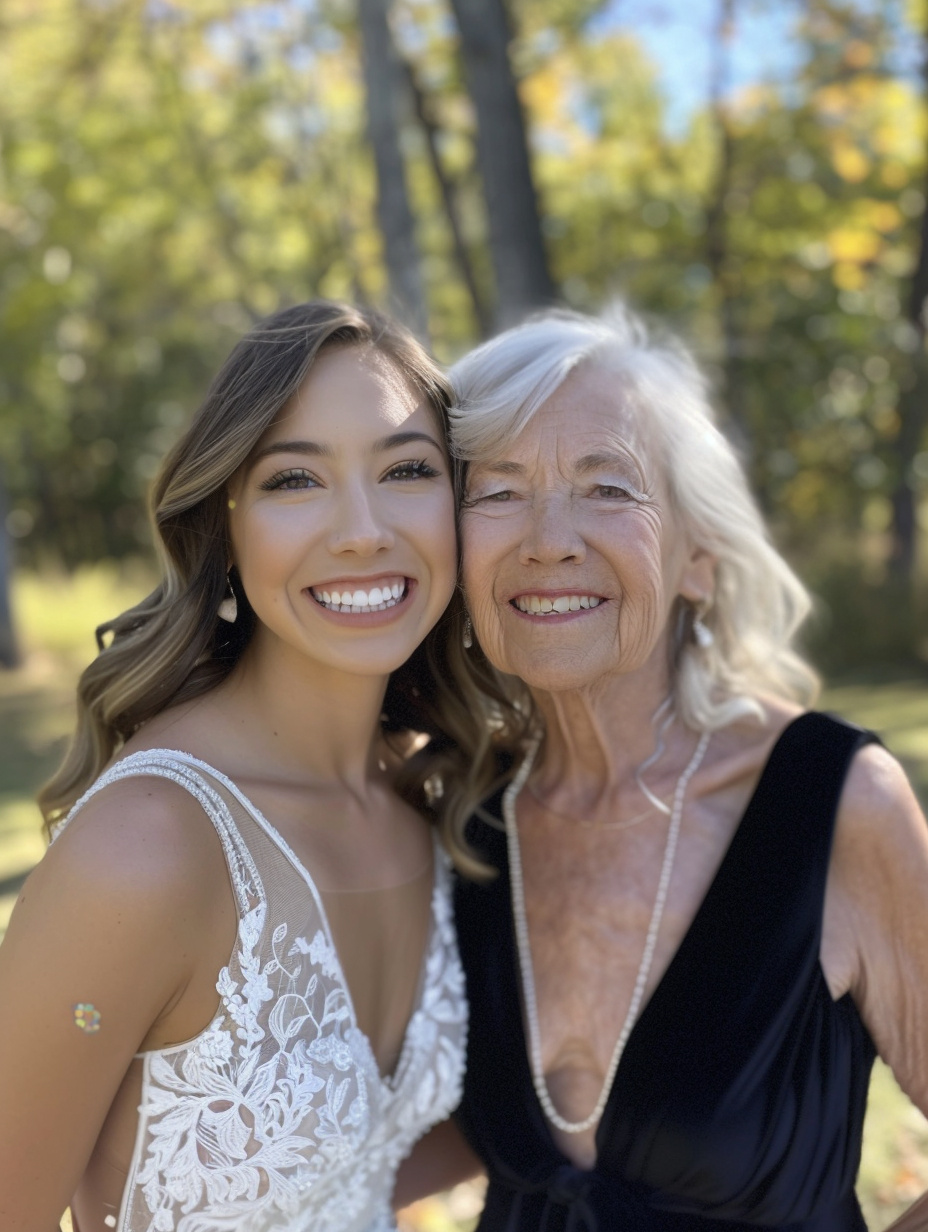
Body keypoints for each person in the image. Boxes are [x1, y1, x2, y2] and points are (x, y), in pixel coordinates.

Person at [401, 303, 928, 1230]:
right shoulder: (459, 818)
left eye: (609, 489)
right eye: (498, 490)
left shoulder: (835, 806)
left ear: (699, 559)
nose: (549, 538)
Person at [0, 300, 468, 1232]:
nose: (363, 530)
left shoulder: (426, 795)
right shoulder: (147, 849)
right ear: (226, 520)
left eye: (408, 469)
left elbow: (355, 1161)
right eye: (296, 480)